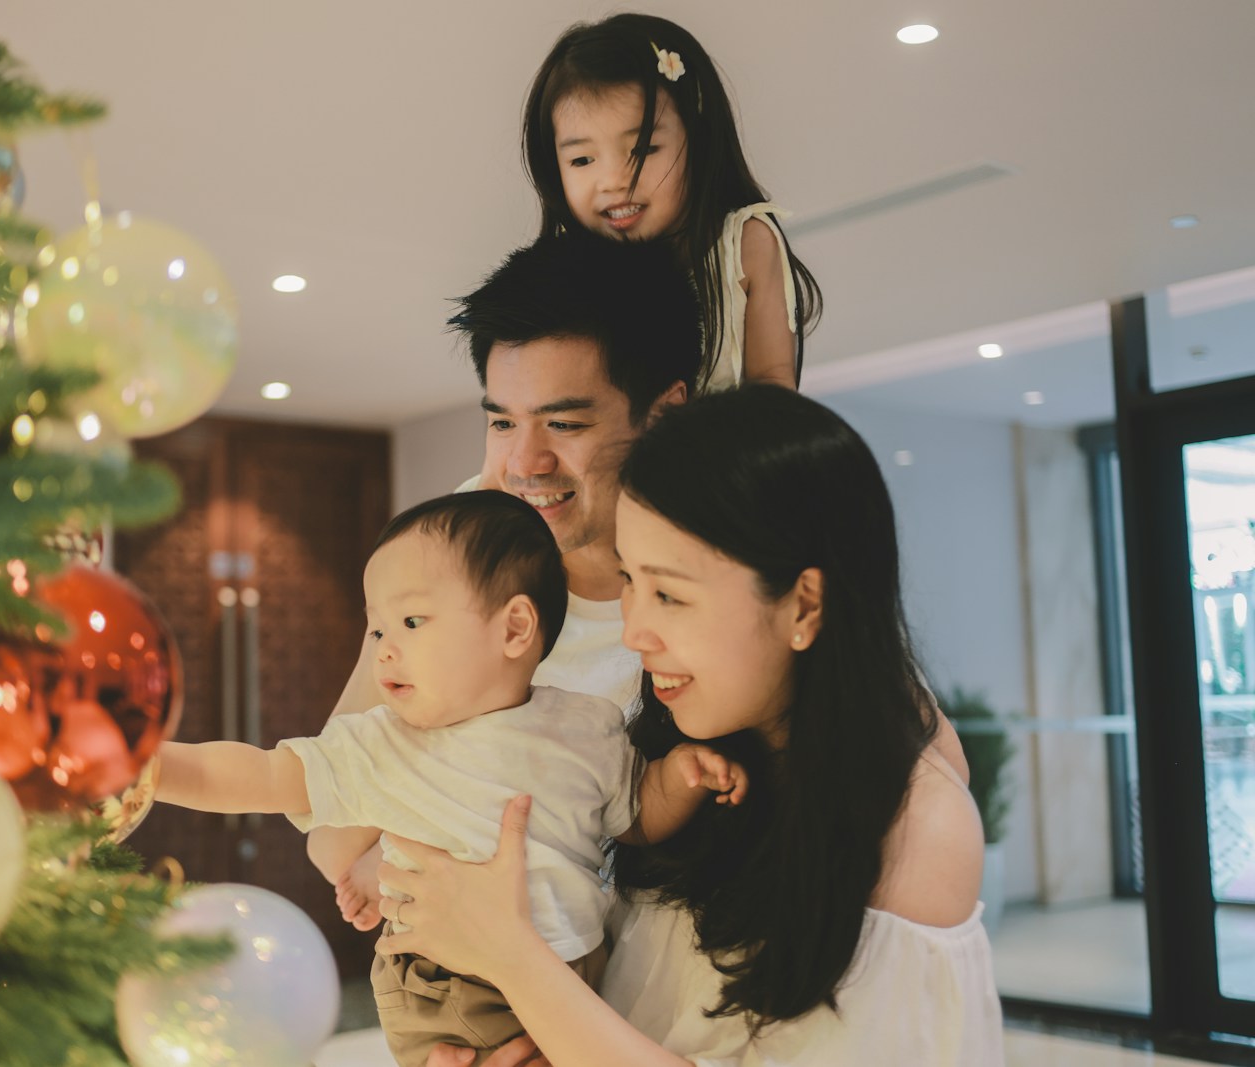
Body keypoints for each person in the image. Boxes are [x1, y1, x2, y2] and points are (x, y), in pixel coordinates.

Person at [378, 387, 1004, 1066]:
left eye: (670, 594)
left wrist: (512, 956)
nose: (636, 630)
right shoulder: (688, 762)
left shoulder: (914, 824)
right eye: (629, 581)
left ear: (804, 603)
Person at [155, 489, 743, 1067]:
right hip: (453, 990)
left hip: (575, 969)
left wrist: (679, 778)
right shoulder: (387, 741)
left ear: (515, 629)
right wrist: (146, 766)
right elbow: (257, 773)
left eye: (410, 621)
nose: (384, 650)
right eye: (378, 629)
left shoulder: (585, 725)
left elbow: (636, 814)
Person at [309, 234, 707, 931]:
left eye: (563, 423)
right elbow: (332, 831)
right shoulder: (466, 546)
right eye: (501, 421)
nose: (526, 463)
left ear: (665, 413)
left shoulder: (713, 582)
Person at [523, 13, 822, 391]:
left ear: (698, 139)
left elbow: (773, 390)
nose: (614, 182)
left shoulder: (745, 246)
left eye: (644, 148)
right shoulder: (563, 272)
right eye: (582, 160)